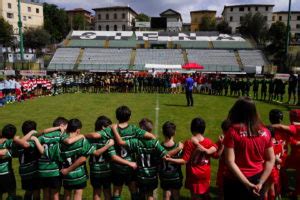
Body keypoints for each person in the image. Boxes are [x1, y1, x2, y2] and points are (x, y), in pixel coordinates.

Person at [223, 97, 275, 200]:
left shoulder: (232, 132)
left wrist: (247, 183)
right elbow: (270, 159)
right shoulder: (265, 132)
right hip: (257, 178)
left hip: (235, 179)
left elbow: (229, 161)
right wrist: (260, 182)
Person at [112, 118, 168, 200]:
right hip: (152, 176)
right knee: (150, 195)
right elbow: (165, 155)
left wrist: (114, 129)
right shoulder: (155, 142)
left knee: (141, 194)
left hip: (141, 175)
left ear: (141, 129)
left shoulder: (136, 142)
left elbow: (121, 143)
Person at [166, 117, 217, 200]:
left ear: (192, 128)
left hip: (193, 174)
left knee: (194, 197)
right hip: (205, 173)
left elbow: (184, 160)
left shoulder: (189, 142)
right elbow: (216, 155)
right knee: (206, 193)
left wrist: (170, 158)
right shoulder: (208, 142)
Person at [159, 121, 183, 200]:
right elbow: (183, 161)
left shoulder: (159, 147)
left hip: (165, 177)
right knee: (176, 196)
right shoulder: (179, 147)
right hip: (176, 177)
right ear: (174, 133)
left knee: (166, 196)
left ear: (163, 132)